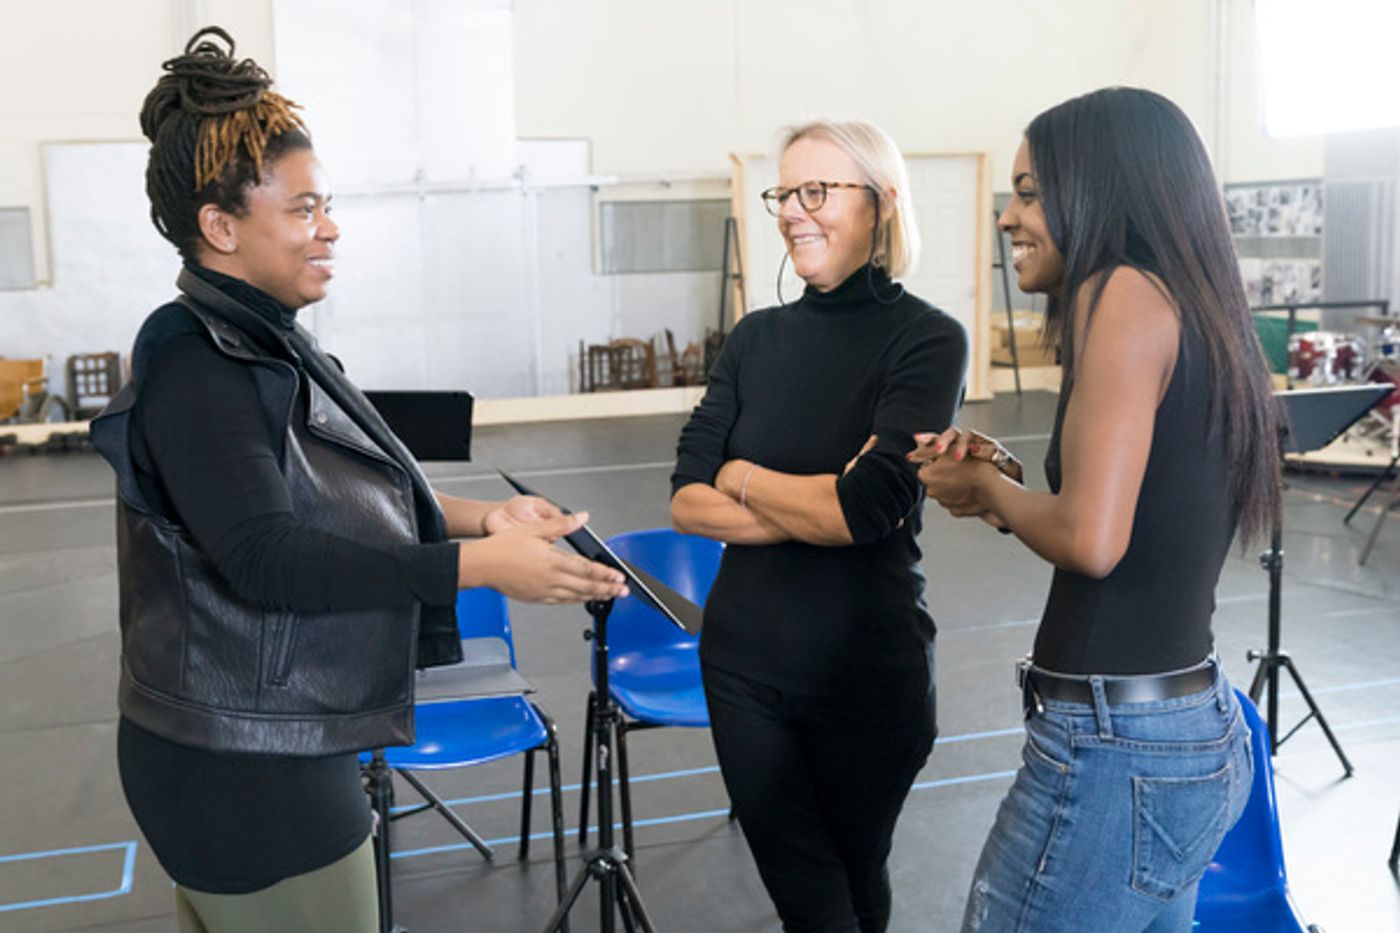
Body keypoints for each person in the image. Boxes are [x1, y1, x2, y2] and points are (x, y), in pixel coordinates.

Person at [90, 28, 626, 932]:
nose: (329, 226)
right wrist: (480, 568)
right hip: (242, 767)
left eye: (325, 204)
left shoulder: (261, 339)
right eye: (302, 208)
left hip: (273, 740)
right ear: (221, 227)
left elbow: (329, 501)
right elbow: (268, 558)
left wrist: (484, 519)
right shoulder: (199, 364)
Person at [910, 87, 1280, 933]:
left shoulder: (1119, 292)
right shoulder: (1193, 305)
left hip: (1118, 753)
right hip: (1187, 731)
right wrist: (1004, 493)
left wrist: (987, 491)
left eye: (1031, 193)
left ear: (1102, 190)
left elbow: (1092, 539)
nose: (1009, 218)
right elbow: (1143, 522)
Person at [670, 118, 968, 933]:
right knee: (810, 896)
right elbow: (687, 498)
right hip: (743, 670)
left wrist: (743, 476)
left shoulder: (928, 339)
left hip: (868, 677)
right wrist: (818, 501)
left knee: (857, 882)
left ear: (882, 203)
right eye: (784, 193)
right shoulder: (754, 338)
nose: (792, 211)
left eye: (817, 191)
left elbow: (862, 510)